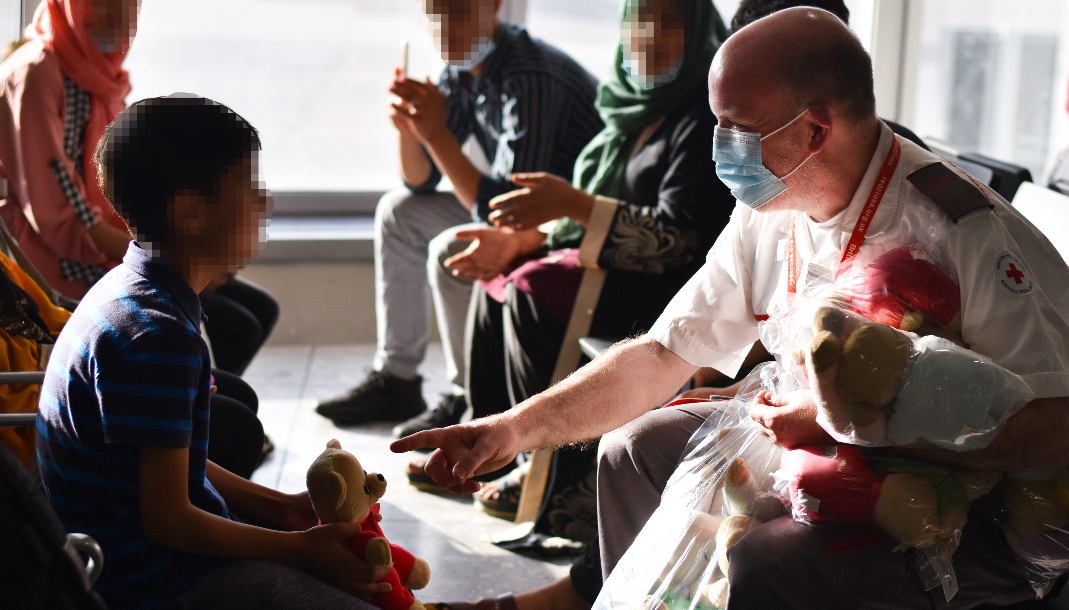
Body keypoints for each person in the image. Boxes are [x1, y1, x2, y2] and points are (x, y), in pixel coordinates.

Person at [395, 7, 1069, 609]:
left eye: (735, 128)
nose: (721, 147)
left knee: (760, 563)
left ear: (813, 132)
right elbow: (664, 354)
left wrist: (850, 425)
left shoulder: (960, 230)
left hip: (974, 511)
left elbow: (1053, 429)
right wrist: (512, 430)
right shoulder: (774, 204)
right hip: (820, 443)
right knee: (630, 451)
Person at [37, 95, 385, 609]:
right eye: (248, 189)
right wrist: (296, 551)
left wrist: (283, 510)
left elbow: (172, 462)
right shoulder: (158, 337)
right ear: (190, 211)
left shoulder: (132, 290)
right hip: (152, 584)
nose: (263, 204)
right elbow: (170, 520)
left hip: (134, 559)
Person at [406, 0, 728, 528]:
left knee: (532, 286)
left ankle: (553, 475)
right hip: (608, 259)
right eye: (637, 21)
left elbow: (682, 239)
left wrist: (573, 207)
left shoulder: (703, 111)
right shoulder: (632, 103)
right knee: (502, 274)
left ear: (696, 32)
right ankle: (483, 442)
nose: (649, 36)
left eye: (668, 22)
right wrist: (525, 237)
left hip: (667, 283)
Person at [316, 0, 603, 428]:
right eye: (435, 12)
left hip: (563, 223)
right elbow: (421, 181)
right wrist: (411, 133)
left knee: (449, 247)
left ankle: (466, 396)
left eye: (460, 10)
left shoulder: (529, 77)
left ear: (494, 7)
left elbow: (511, 208)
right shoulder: (462, 71)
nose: (445, 25)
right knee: (398, 212)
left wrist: (434, 133)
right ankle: (398, 380)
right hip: (520, 210)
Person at [0, 0, 136, 300]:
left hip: (98, 247)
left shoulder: (100, 74)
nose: (123, 17)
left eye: (133, 5)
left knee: (236, 308)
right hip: (45, 259)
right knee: (230, 320)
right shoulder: (35, 73)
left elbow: (126, 174)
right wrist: (157, 256)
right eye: (107, 3)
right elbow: (56, 206)